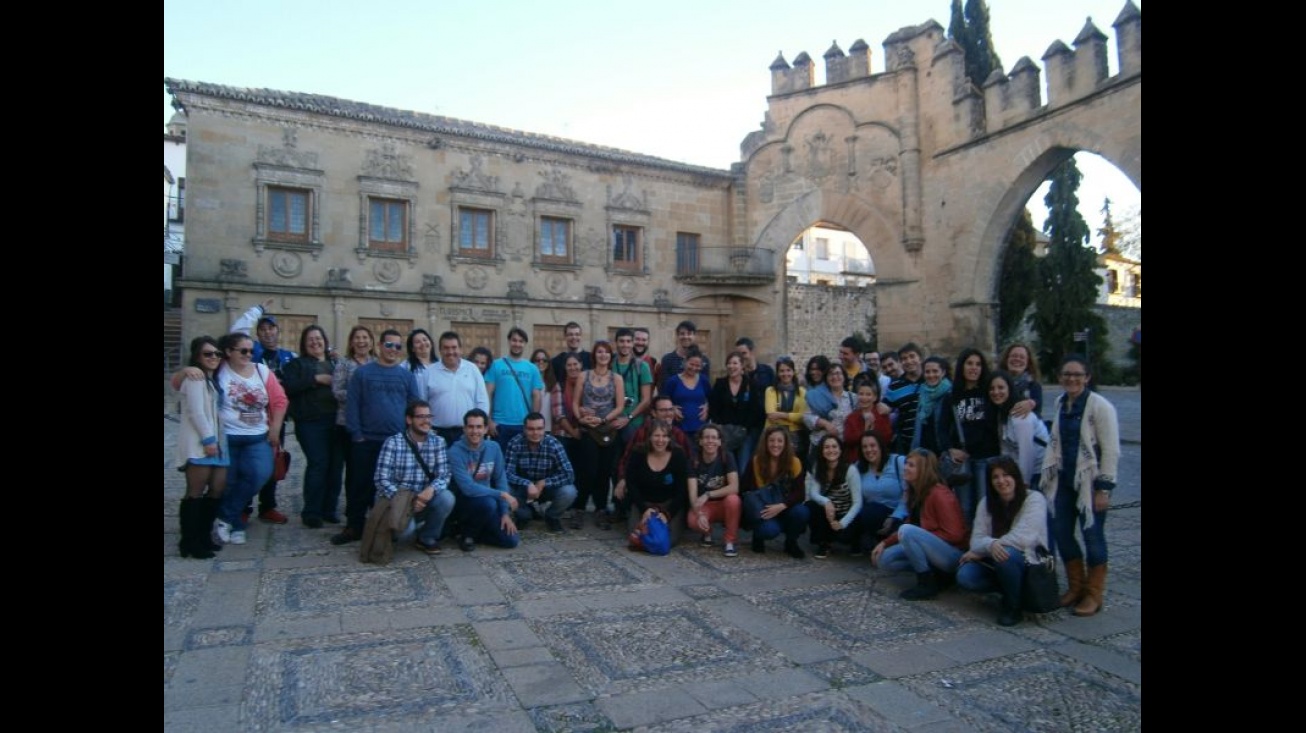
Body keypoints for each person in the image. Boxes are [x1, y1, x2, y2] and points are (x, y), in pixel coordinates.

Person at [1040, 354, 1120, 617]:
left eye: (1077, 374)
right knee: (1062, 532)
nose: (1071, 379)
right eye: (1067, 374)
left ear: (1087, 377)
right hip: (1064, 480)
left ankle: (1094, 594)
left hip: (1090, 483)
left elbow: (1110, 450)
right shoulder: (1061, 402)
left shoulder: (1100, 407)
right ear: (1060, 378)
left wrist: (1104, 488)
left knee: (1093, 537)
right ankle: (1076, 586)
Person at [334, 329, 424, 546]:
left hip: (396, 442)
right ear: (381, 346)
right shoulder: (363, 373)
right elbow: (353, 405)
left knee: (389, 486)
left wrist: (410, 436)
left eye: (397, 346)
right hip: (366, 440)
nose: (393, 350)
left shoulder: (406, 376)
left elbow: (414, 406)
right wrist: (356, 435)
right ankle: (354, 526)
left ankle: (382, 524)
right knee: (359, 484)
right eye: (389, 345)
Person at [211, 332, 289, 546]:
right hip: (228, 436)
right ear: (228, 352)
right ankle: (236, 524)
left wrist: (275, 427)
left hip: (257, 436)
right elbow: (181, 381)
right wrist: (189, 371)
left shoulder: (261, 371)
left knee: (259, 474)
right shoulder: (219, 370)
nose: (248, 354)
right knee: (230, 481)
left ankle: (225, 517)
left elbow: (280, 400)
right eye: (243, 350)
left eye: (251, 351)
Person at [956, 456, 1049, 626]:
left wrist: (991, 546)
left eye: (1006, 475)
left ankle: (1013, 606)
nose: (1001, 481)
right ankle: (1009, 588)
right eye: (995, 477)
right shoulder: (986, 503)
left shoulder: (1034, 499)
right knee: (965, 575)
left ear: (1015, 477)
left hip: (1027, 560)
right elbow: (975, 540)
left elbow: (1024, 538)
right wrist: (989, 545)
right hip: (994, 559)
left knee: (1005, 554)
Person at [230, 298, 296, 525]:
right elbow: (236, 331)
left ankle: (268, 506)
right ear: (257, 333)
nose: (267, 333)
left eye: (271, 328)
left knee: (273, 461)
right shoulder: (252, 351)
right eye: (263, 329)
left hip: (276, 417)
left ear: (278, 331)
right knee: (247, 464)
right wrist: (257, 310)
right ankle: (243, 507)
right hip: (249, 417)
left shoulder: (288, 357)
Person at [870, 449, 967, 600]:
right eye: (907, 463)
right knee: (884, 560)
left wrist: (922, 536)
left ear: (923, 470)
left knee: (907, 531)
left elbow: (956, 534)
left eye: (911, 465)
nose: (906, 468)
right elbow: (912, 524)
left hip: (952, 554)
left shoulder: (940, 494)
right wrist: (885, 542)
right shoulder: (914, 492)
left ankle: (926, 583)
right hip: (928, 544)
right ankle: (935, 574)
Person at [280, 326, 345, 528]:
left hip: (336, 421)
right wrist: (316, 379)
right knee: (318, 463)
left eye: (318, 338)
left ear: (325, 341)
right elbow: (288, 387)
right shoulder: (297, 364)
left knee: (336, 466)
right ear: (304, 343)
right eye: (310, 339)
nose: (315, 342)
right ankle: (312, 511)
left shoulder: (336, 363)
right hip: (310, 422)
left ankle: (329, 509)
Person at [373, 400, 455, 555]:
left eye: (428, 416)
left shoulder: (438, 442)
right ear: (409, 420)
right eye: (420, 417)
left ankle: (427, 537)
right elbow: (381, 480)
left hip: (423, 499)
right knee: (405, 532)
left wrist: (431, 490)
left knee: (447, 498)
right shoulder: (393, 443)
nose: (426, 421)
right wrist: (409, 500)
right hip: (396, 499)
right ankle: (391, 527)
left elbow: (444, 474)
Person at [175, 336, 228, 559]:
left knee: (216, 489)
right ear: (197, 356)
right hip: (201, 445)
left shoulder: (211, 379)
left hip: (219, 443)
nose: (213, 357)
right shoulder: (195, 378)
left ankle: (204, 535)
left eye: (217, 353)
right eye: (208, 354)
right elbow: (196, 412)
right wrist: (208, 441)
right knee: (195, 493)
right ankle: (190, 541)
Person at [938, 348, 999, 525]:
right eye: (970, 363)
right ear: (962, 367)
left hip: (985, 457)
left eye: (978, 364)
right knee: (964, 506)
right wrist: (949, 448)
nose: (974, 368)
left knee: (984, 505)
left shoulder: (989, 393)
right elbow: (941, 428)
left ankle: (984, 546)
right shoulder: (951, 397)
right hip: (962, 460)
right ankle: (966, 545)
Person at [447, 408, 520, 551]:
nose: (475, 431)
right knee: (488, 503)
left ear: (486, 429)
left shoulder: (494, 447)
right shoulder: (455, 451)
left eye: (479, 427)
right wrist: (502, 495)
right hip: (465, 500)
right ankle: (468, 535)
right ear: (464, 428)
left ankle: (474, 533)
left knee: (511, 541)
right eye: (471, 427)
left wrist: (505, 512)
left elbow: (500, 480)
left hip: (489, 501)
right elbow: (467, 487)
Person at [571, 339, 625, 529]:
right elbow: (575, 403)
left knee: (604, 471)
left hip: (607, 430)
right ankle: (579, 508)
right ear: (594, 355)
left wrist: (603, 420)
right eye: (599, 352)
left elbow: (619, 406)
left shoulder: (616, 378)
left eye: (606, 352)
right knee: (587, 470)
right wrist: (581, 419)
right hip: (588, 430)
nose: (603, 355)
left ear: (611, 356)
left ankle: (601, 508)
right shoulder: (584, 376)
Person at [504, 412, 577, 533]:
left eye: (539, 429)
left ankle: (552, 516)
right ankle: (524, 514)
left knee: (569, 491)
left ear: (544, 428)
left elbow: (569, 474)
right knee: (504, 489)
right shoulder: (515, 443)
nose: (535, 433)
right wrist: (527, 484)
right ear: (524, 429)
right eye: (531, 429)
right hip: (522, 488)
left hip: (547, 488)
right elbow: (507, 473)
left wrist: (544, 483)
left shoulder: (553, 444)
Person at [621, 420, 689, 549]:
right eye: (656, 435)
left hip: (669, 503)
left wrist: (667, 513)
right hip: (644, 502)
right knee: (635, 536)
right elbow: (631, 483)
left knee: (669, 540)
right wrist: (643, 509)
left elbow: (682, 490)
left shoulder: (678, 455)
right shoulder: (638, 453)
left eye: (664, 436)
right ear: (649, 437)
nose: (660, 440)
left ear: (670, 438)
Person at [332, 325, 376, 523]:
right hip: (348, 423)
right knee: (354, 470)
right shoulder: (344, 363)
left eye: (365, 337)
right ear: (351, 342)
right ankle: (353, 512)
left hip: (372, 424)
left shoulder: (376, 363)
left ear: (371, 341)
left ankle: (373, 509)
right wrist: (360, 396)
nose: (361, 341)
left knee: (373, 470)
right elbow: (337, 391)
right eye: (357, 337)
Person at [743, 425, 810, 557]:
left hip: (784, 505)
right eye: (772, 440)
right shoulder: (756, 461)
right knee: (769, 531)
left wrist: (782, 505)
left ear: (785, 443)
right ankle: (758, 535)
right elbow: (745, 488)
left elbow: (800, 493)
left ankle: (791, 542)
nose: (775, 444)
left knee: (802, 512)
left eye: (780, 441)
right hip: (764, 508)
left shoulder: (794, 462)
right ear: (765, 442)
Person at [426, 331, 490, 448]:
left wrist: (480, 427)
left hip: (467, 433)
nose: (450, 352)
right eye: (446, 348)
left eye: (454, 347)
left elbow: (482, 400)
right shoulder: (428, 372)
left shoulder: (472, 369)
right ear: (440, 350)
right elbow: (422, 403)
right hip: (437, 433)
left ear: (460, 349)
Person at [804, 434, 863, 559]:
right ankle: (824, 543)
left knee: (845, 535)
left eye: (834, 446)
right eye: (826, 447)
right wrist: (826, 502)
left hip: (847, 514)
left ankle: (854, 542)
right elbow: (813, 493)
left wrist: (842, 523)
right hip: (829, 513)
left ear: (840, 449)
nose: (831, 450)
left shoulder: (850, 470)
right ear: (821, 450)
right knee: (810, 506)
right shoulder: (818, 467)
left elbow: (858, 502)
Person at [687, 423, 742, 556]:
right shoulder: (694, 460)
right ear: (700, 441)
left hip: (724, 503)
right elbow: (692, 494)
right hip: (704, 505)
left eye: (714, 437)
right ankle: (707, 533)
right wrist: (699, 514)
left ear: (719, 441)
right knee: (693, 520)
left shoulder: (727, 457)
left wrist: (708, 494)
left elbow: (734, 487)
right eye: (706, 437)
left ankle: (730, 541)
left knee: (734, 500)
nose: (710, 441)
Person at [848, 431, 907, 555]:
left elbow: (908, 493)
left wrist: (895, 516)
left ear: (880, 446)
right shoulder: (859, 467)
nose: (869, 450)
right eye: (864, 447)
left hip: (899, 513)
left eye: (872, 445)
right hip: (872, 515)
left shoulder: (898, 462)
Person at [987, 371, 1049, 490]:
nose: (996, 392)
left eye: (1001, 388)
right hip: (1018, 471)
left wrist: (1023, 484)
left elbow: (1027, 453)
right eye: (992, 388)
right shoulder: (1002, 412)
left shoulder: (1020, 416)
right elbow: (1006, 449)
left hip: (1038, 473)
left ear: (1009, 389)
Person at [485, 327, 544, 450]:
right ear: (509, 341)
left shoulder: (532, 368)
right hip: (499, 425)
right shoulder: (496, 365)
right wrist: (489, 420)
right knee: (500, 463)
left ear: (525, 344)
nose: (517, 344)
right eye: (514, 340)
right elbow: (488, 393)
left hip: (523, 425)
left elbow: (536, 396)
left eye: (521, 341)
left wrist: (534, 423)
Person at [709, 352, 763, 472]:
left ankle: (742, 490)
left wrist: (745, 428)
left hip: (745, 432)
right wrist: (721, 426)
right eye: (729, 363)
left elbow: (755, 409)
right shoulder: (720, 384)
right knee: (726, 466)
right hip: (725, 433)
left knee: (743, 466)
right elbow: (714, 407)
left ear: (742, 365)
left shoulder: (751, 384)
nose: (731, 366)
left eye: (735, 363)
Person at [803, 362, 855, 470]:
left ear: (844, 377)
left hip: (842, 448)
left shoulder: (853, 398)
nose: (835, 377)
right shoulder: (816, 396)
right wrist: (825, 424)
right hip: (819, 446)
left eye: (838, 373)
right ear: (826, 378)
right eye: (831, 374)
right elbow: (806, 417)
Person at [612, 328, 653, 444]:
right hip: (612, 421)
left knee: (631, 459)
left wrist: (628, 418)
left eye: (628, 341)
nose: (625, 345)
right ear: (616, 343)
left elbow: (646, 400)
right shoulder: (609, 365)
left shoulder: (642, 366)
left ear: (632, 343)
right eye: (621, 341)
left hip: (634, 423)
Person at [661, 346, 710, 442]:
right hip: (679, 429)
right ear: (685, 362)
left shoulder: (704, 380)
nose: (694, 368)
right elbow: (663, 400)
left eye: (698, 365)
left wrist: (707, 407)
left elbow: (713, 399)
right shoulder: (673, 381)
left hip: (700, 430)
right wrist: (672, 408)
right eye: (691, 364)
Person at [764, 356, 808, 461]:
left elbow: (803, 417)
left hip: (796, 437)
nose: (785, 374)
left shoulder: (802, 392)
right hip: (773, 435)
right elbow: (771, 415)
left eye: (788, 370)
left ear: (793, 372)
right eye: (782, 371)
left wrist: (781, 415)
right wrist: (793, 417)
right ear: (777, 373)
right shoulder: (770, 391)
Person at [884, 343, 925, 455]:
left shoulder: (930, 380)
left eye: (912, 356)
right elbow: (884, 408)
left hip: (930, 443)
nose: (908, 361)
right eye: (904, 359)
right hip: (907, 444)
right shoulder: (895, 387)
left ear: (920, 358)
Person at [843, 378, 892, 465]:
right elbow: (848, 439)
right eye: (861, 394)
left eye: (868, 394)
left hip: (879, 460)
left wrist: (872, 428)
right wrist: (865, 429)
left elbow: (887, 437)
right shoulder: (851, 417)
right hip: (856, 461)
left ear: (875, 397)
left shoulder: (882, 414)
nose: (864, 398)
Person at [912, 356, 952, 454]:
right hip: (924, 451)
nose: (931, 375)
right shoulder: (922, 393)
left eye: (935, 371)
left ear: (943, 372)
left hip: (944, 452)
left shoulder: (951, 394)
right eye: (927, 372)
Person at [997, 342, 1044, 420]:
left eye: (1022, 357)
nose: (1017, 359)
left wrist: (1032, 403)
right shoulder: (996, 382)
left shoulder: (1034, 385)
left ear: (1028, 363)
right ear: (1006, 359)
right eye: (1014, 356)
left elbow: (1037, 409)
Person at [530, 348, 554, 433]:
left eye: (544, 360)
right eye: (537, 360)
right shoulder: (528, 382)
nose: (541, 362)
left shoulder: (552, 383)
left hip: (548, 427)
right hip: (532, 427)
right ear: (532, 362)